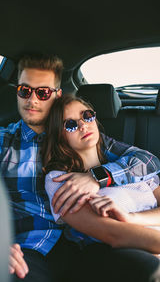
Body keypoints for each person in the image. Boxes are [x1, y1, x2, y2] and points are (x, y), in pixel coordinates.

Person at [0, 53, 160, 282]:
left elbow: (148, 162)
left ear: (57, 95)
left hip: (86, 243)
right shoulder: (0, 142)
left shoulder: (84, 138)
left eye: (42, 92)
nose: (32, 100)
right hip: (33, 245)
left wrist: (98, 176)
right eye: (25, 91)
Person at [43, 93, 160, 281]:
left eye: (86, 115)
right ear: (59, 136)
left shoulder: (128, 165)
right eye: (70, 124)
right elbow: (114, 235)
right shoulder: (60, 180)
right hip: (129, 261)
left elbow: (151, 162)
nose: (83, 125)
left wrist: (131, 218)